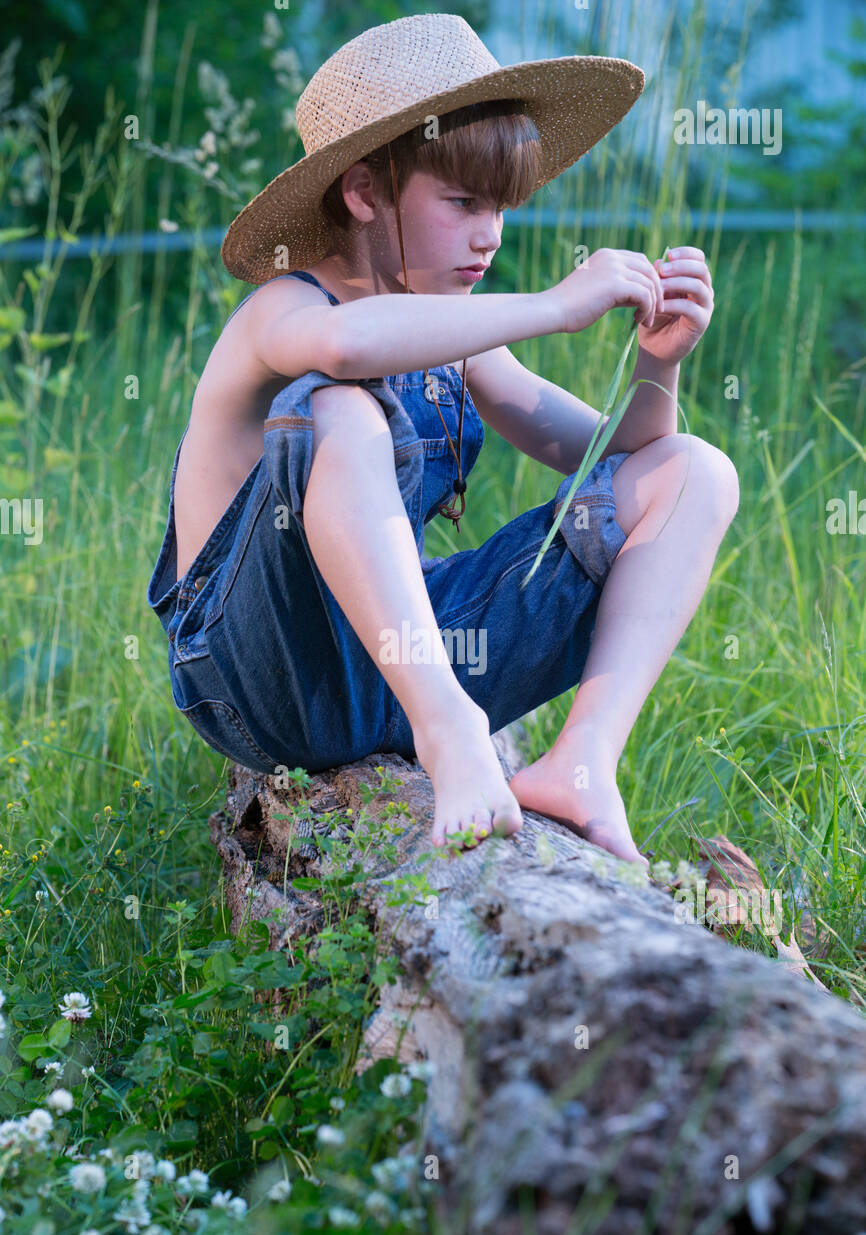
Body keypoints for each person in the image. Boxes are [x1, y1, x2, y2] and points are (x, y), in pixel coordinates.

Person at [148, 13, 739, 866]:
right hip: (262, 679)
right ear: (362, 193)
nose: (490, 233)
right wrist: (557, 308)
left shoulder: (457, 328)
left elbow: (608, 459)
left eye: (500, 206)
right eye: (462, 203)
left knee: (693, 472)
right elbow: (346, 351)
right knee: (341, 407)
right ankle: (449, 730)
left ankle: (582, 761)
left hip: (396, 663)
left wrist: (660, 365)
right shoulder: (284, 310)